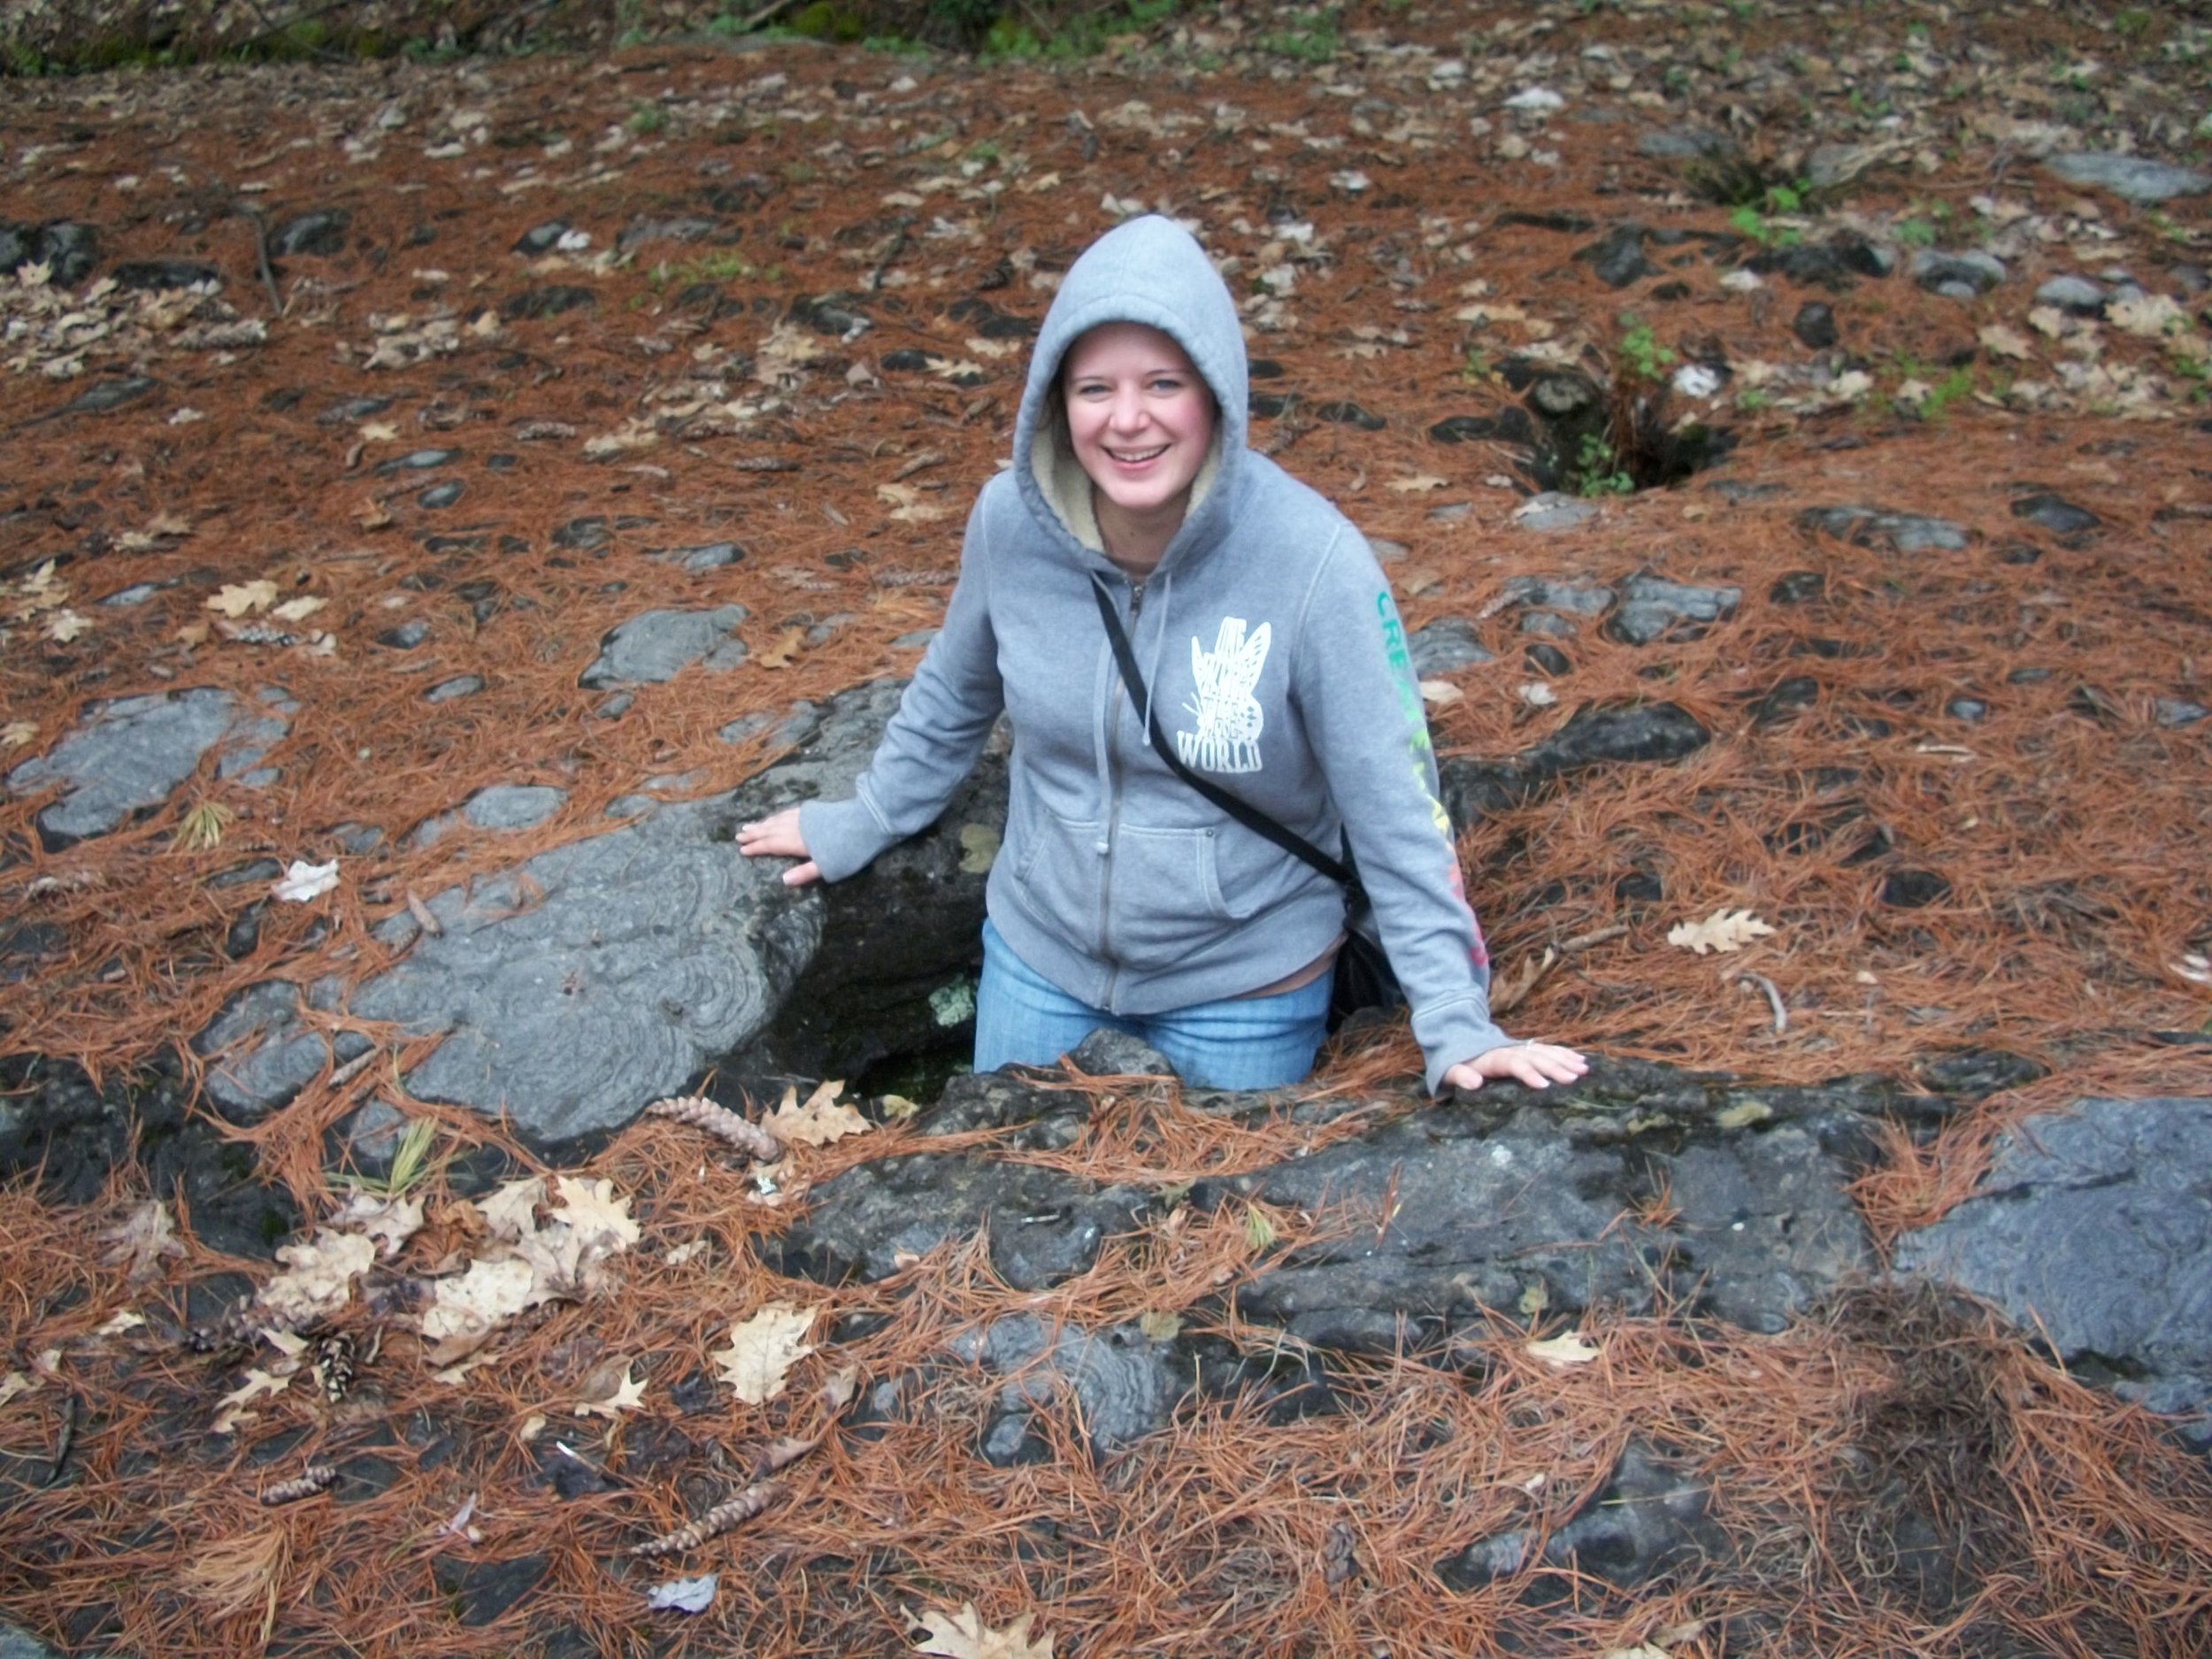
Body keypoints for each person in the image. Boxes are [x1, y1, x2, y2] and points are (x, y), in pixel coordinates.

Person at [740, 214, 1586, 1097]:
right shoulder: (1008, 525)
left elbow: (1394, 801)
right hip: (1040, 965)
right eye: (1095, 388)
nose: (1129, 420)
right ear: (1055, 405)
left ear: (1216, 393)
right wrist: (864, 819)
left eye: (1163, 383)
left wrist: (1454, 1018)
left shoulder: (1312, 562)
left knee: (1206, 1228)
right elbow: (953, 693)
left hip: (1244, 989)